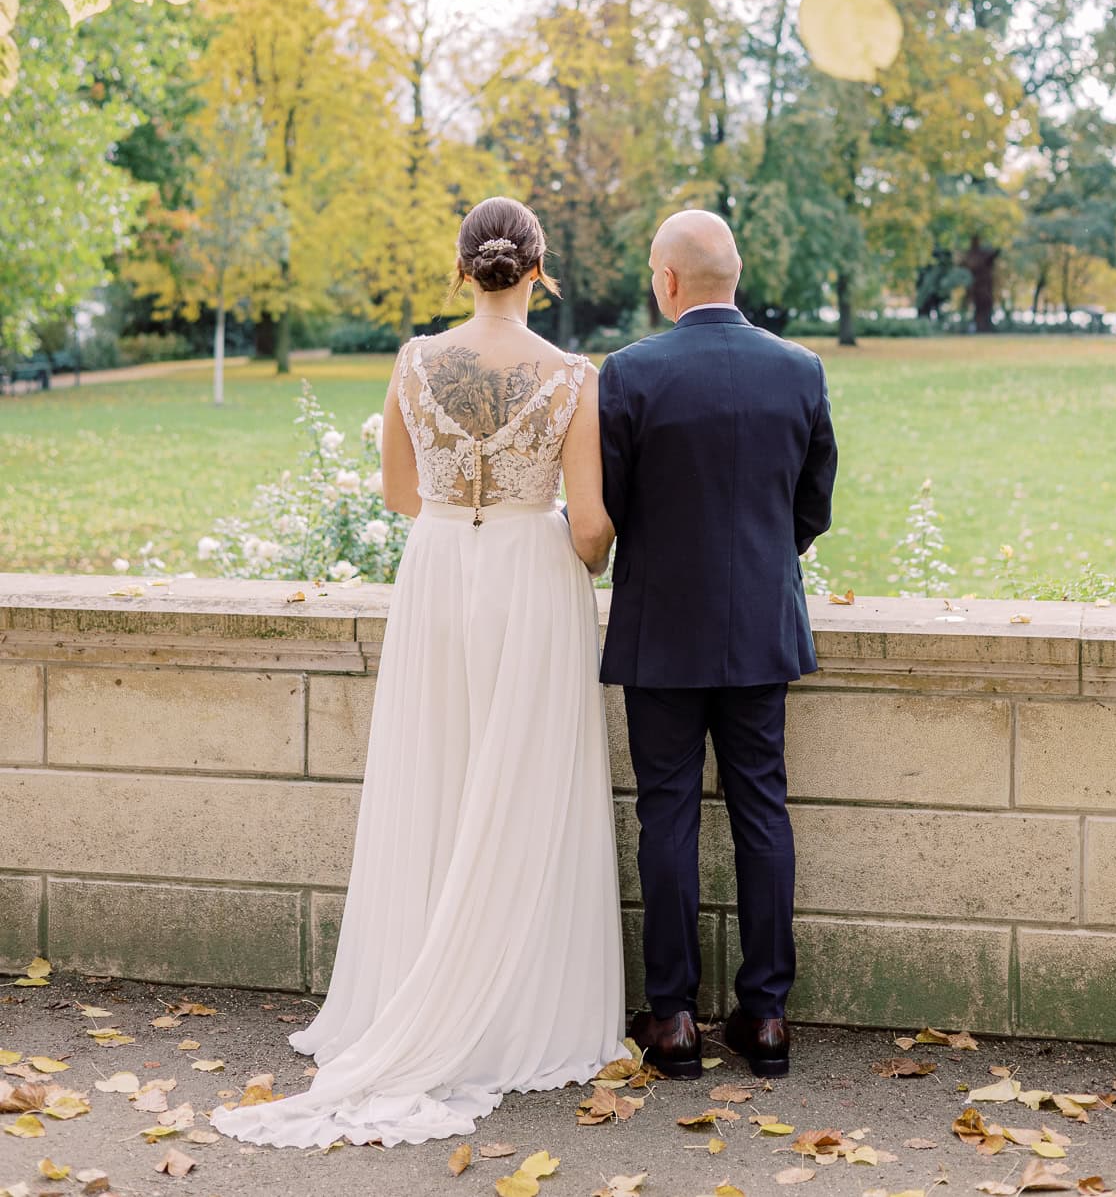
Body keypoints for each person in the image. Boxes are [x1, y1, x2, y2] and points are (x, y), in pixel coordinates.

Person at [209, 196, 626, 1151]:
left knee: (433, 771)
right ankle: (518, 1004)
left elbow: (400, 492)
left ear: (461, 266)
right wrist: (581, 553)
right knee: (525, 782)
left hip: (439, 568)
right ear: (538, 268)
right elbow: (592, 522)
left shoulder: (413, 362)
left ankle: (416, 982)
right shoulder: (571, 375)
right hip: (532, 571)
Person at [598, 209, 837, 1081]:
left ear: (668, 280)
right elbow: (812, 506)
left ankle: (672, 1020)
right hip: (761, 628)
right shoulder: (799, 369)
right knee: (762, 811)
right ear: (732, 276)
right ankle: (766, 1015)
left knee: (666, 814)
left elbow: (607, 510)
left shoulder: (628, 374)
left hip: (661, 633)